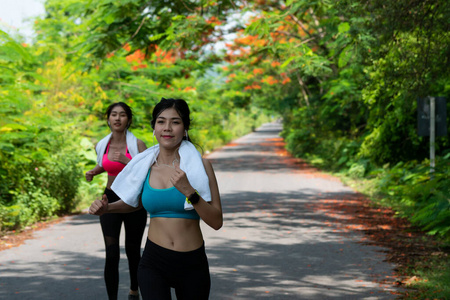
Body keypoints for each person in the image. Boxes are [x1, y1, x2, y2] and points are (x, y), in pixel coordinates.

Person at [89, 98, 223, 300]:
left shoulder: (201, 167)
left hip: (192, 262)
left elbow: (216, 221)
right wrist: (107, 209)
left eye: (175, 122)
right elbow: (135, 203)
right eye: (161, 121)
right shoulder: (144, 165)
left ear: (185, 127)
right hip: (154, 262)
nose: (167, 128)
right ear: (154, 127)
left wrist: (191, 193)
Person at [85, 102, 148, 300]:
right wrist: (94, 172)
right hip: (109, 198)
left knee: (132, 250)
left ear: (128, 119)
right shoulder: (102, 144)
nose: (117, 118)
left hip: (133, 200)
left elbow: (146, 172)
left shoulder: (138, 145)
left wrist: (125, 160)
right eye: (114, 114)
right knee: (111, 253)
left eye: (122, 115)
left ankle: (134, 291)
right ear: (109, 119)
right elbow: (105, 165)